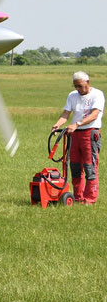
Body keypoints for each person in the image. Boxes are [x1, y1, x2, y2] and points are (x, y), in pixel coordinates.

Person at [52, 71, 103, 204]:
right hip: (74, 135)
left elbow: (94, 115)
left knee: (89, 167)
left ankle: (89, 199)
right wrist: (57, 125)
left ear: (88, 82)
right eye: (75, 86)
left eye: (80, 86)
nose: (78, 89)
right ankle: (78, 197)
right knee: (75, 167)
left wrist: (77, 124)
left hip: (90, 133)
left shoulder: (97, 94)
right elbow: (66, 113)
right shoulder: (72, 96)